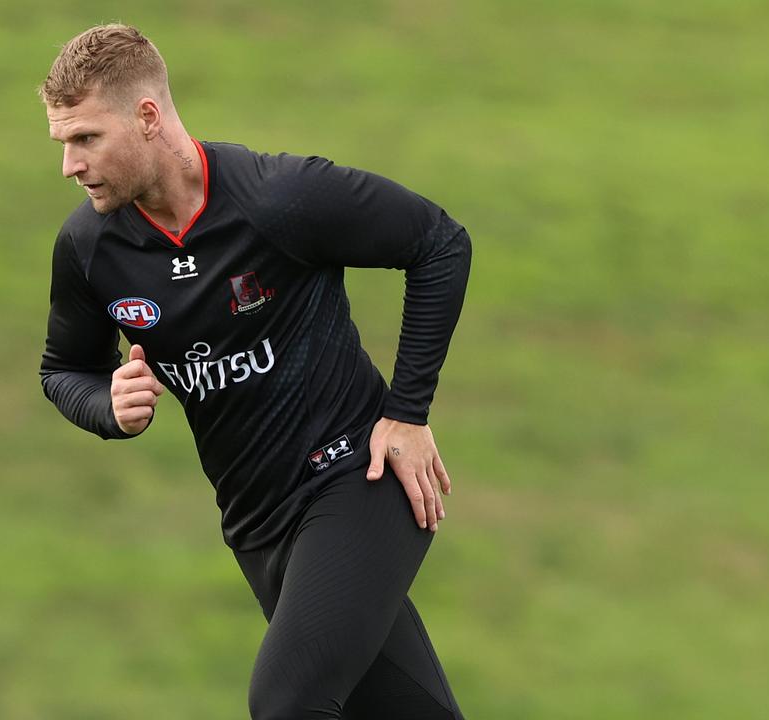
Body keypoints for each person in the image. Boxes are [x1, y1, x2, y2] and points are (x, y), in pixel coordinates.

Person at [39, 23, 472, 720]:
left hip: (354, 482)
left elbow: (439, 244)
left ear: (147, 117)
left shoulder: (281, 199)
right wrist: (108, 405)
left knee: (287, 703)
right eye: (62, 142)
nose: (69, 164)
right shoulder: (90, 249)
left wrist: (408, 412)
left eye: (86, 138)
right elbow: (65, 368)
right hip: (257, 527)